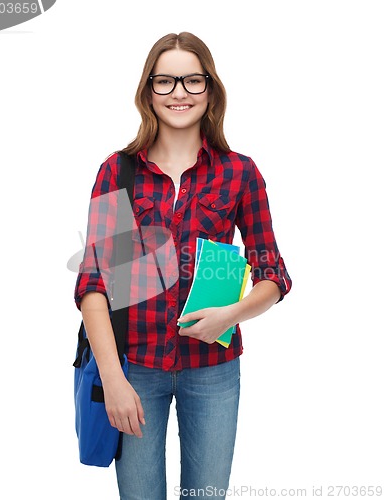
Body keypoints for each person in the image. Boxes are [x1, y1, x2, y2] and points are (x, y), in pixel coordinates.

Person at [74, 31, 292, 500]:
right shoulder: (119, 170)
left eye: (193, 81)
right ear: (148, 91)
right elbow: (95, 282)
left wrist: (228, 315)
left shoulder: (240, 173)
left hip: (213, 370)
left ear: (210, 90)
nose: (179, 93)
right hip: (136, 368)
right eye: (166, 81)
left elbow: (272, 272)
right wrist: (112, 379)